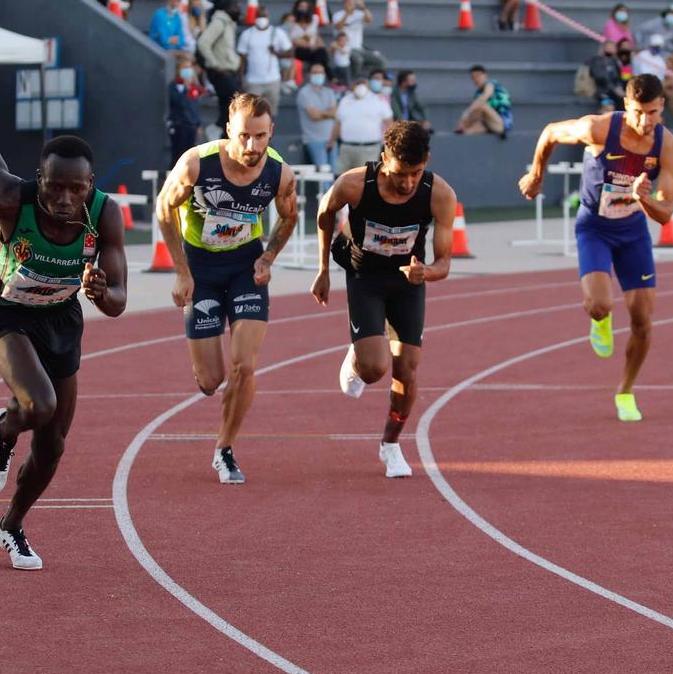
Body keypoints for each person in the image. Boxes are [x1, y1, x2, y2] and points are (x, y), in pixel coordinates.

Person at [0, 128, 128, 570]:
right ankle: (5, 430)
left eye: (77, 188)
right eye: (55, 186)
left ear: (91, 185)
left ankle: (11, 526)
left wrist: (102, 293)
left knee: (53, 446)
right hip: (4, 314)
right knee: (39, 405)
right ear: (39, 179)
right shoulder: (11, 198)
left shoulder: (105, 215)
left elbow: (118, 303)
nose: (66, 198)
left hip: (60, 319)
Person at [518, 74, 673, 422]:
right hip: (594, 227)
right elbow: (550, 132)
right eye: (638, 112)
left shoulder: (668, 147)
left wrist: (644, 199)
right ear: (626, 106)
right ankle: (601, 320)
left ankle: (625, 391)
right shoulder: (598, 129)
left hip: (633, 232)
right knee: (599, 304)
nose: (645, 121)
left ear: (662, 106)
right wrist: (537, 175)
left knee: (643, 321)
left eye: (652, 112)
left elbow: (666, 214)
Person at [155, 96, 298, 485]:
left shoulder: (280, 173)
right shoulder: (196, 164)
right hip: (200, 268)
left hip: (243, 268)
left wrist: (267, 258)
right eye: (244, 137)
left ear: (271, 133)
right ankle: (210, 373)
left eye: (261, 137)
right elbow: (164, 209)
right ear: (228, 132)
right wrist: (181, 272)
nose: (253, 147)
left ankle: (224, 448)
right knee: (210, 381)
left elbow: (289, 217)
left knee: (245, 366)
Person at [311, 122, 458, 478]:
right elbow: (325, 213)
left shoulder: (439, 194)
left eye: (416, 173)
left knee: (407, 370)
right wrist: (323, 271)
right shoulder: (354, 184)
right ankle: (361, 352)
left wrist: (429, 273)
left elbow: (444, 264)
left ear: (427, 163)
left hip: (408, 281)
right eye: (399, 173)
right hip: (365, 277)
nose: (407, 183)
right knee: (375, 368)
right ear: (384, 159)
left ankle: (390, 445)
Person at [195, 0, 243, 135]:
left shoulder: (228, 23)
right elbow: (203, 43)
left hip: (229, 71)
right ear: (226, 8)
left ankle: (221, 133)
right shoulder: (219, 23)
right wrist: (214, 63)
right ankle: (218, 130)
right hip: (221, 72)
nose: (237, 9)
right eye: (234, 6)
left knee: (228, 106)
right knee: (235, 104)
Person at [236, 11, 293, 114]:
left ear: (268, 17)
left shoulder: (277, 32)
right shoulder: (247, 34)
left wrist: (276, 53)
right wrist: (241, 78)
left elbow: (290, 53)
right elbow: (242, 58)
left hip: (273, 80)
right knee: (252, 113)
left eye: (264, 16)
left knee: (271, 113)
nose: (261, 19)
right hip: (253, 80)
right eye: (259, 16)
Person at [333, 74, 394, 170]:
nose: (360, 87)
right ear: (352, 86)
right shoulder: (345, 100)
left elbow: (389, 122)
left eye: (363, 84)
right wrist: (331, 141)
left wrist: (391, 144)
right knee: (343, 177)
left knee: (365, 179)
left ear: (367, 85)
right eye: (357, 84)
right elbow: (338, 123)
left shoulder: (378, 100)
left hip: (369, 148)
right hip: (347, 148)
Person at [295, 62, 339, 171]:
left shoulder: (329, 92)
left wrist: (322, 113)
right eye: (315, 72)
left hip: (331, 139)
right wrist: (328, 114)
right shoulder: (304, 93)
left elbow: (335, 113)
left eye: (321, 72)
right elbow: (314, 116)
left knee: (334, 174)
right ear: (309, 74)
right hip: (314, 139)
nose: (318, 75)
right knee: (323, 175)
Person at [454, 65, 512, 137]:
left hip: (500, 123)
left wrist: (466, 114)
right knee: (466, 132)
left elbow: (486, 95)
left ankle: (462, 125)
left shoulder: (491, 84)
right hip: (487, 123)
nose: (476, 79)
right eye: (473, 77)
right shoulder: (478, 94)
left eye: (478, 76)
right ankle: (462, 129)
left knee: (480, 106)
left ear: (485, 75)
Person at [167, 53, 204, 164]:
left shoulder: (193, 88)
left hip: (191, 125)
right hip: (179, 125)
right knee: (178, 155)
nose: (187, 71)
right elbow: (179, 103)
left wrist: (198, 124)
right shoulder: (173, 86)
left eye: (189, 68)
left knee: (190, 156)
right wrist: (185, 89)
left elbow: (194, 107)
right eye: (184, 68)